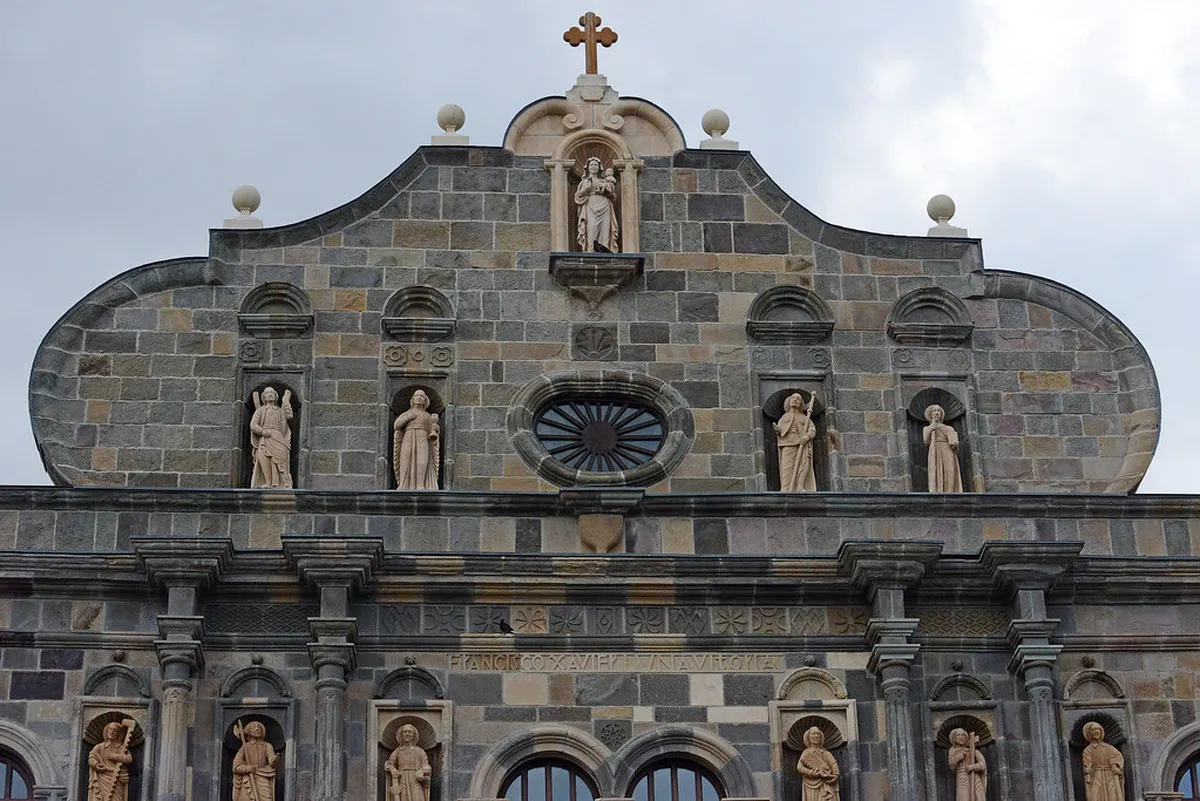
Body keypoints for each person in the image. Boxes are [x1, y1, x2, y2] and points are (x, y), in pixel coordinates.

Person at [393, 390, 440, 490]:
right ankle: (403, 484)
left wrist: (435, 427)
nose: (419, 398)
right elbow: (397, 425)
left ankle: (420, 485)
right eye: (417, 396)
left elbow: (432, 430)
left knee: (422, 459)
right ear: (413, 399)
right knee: (405, 459)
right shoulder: (407, 413)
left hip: (423, 438)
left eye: (422, 396)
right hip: (408, 437)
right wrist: (409, 417)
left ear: (425, 400)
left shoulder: (427, 416)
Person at [250, 387, 293, 489]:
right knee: (265, 459)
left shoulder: (280, 411)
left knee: (279, 461)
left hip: (278, 438)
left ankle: (282, 483)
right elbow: (253, 425)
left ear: (276, 396)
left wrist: (286, 402)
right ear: (263, 397)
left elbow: (289, 416)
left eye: (272, 393)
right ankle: (268, 483)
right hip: (264, 438)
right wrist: (262, 431)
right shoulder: (260, 411)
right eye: (267, 393)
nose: (270, 394)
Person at [774, 392, 818, 492]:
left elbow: (812, 429)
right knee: (787, 467)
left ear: (801, 404)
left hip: (802, 444)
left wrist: (807, 436)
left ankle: (800, 487)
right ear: (788, 402)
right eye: (793, 398)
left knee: (803, 466)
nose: (794, 400)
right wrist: (777, 430)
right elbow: (781, 431)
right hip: (787, 444)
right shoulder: (784, 418)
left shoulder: (804, 418)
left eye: (798, 399)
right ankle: (786, 489)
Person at [574, 155, 619, 252]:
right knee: (592, 230)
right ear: (588, 168)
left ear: (599, 168)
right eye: (591, 165)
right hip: (590, 206)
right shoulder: (585, 182)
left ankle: (606, 251)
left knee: (605, 231)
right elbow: (578, 196)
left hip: (605, 206)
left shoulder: (604, 181)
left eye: (595, 165)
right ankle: (590, 250)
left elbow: (613, 195)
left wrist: (607, 188)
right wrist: (586, 190)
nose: (593, 167)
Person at [384, 724, 432, 801]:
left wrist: (424, 770)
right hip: (401, 779)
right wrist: (393, 770)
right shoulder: (398, 751)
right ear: (401, 735)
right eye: (405, 732)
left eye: (410, 732)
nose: (407, 734)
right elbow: (389, 764)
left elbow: (426, 765)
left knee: (418, 797)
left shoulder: (419, 751)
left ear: (414, 735)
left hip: (416, 779)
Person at [88, 721, 133, 801]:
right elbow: (91, 757)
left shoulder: (122, 748)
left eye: (114, 730)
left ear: (118, 734)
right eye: (110, 729)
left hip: (117, 777)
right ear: (107, 731)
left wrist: (114, 756)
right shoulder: (100, 747)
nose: (111, 732)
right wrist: (96, 764)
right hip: (102, 777)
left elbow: (129, 759)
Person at [233, 720, 278, 801]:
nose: (257, 729)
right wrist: (246, 768)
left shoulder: (267, 746)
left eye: (259, 727)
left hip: (263, 776)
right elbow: (235, 766)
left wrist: (274, 761)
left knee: (267, 798)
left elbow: (272, 760)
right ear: (249, 732)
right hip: (248, 779)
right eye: (254, 727)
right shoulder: (245, 747)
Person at [923, 404, 963, 492]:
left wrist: (955, 444)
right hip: (935, 450)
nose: (936, 413)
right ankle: (937, 490)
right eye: (934, 411)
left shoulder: (948, 428)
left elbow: (955, 445)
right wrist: (933, 426)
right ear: (931, 414)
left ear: (941, 414)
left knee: (950, 470)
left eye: (938, 411)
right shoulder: (927, 428)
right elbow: (926, 441)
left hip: (947, 450)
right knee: (936, 470)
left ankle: (950, 491)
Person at [1082, 722, 1124, 801]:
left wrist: (1115, 766)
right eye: (1094, 730)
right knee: (1095, 796)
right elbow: (1087, 763)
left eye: (1098, 729)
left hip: (1110, 775)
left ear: (1101, 732)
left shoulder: (1109, 748)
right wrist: (1088, 769)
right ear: (1089, 733)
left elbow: (1118, 756)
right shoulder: (1088, 750)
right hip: (1096, 775)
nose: (1096, 731)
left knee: (1113, 796)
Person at [797, 726, 840, 801]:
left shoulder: (826, 753)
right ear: (809, 737)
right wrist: (811, 773)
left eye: (817, 734)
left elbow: (833, 763)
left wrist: (835, 774)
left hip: (825, 782)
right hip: (810, 784)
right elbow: (799, 767)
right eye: (813, 734)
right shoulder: (806, 753)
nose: (816, 736)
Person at [947, 727, 987, 801]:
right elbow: (952, 767)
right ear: (954, 738)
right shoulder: (952, 751)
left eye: (962, 735)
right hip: (962, 776)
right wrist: (958, 758)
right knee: (963, 797)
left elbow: (983, 764)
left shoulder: (972, 750)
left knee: (979, 796)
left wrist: (973, 767)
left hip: (974, 776)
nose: (961, 737)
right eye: (958, 735)